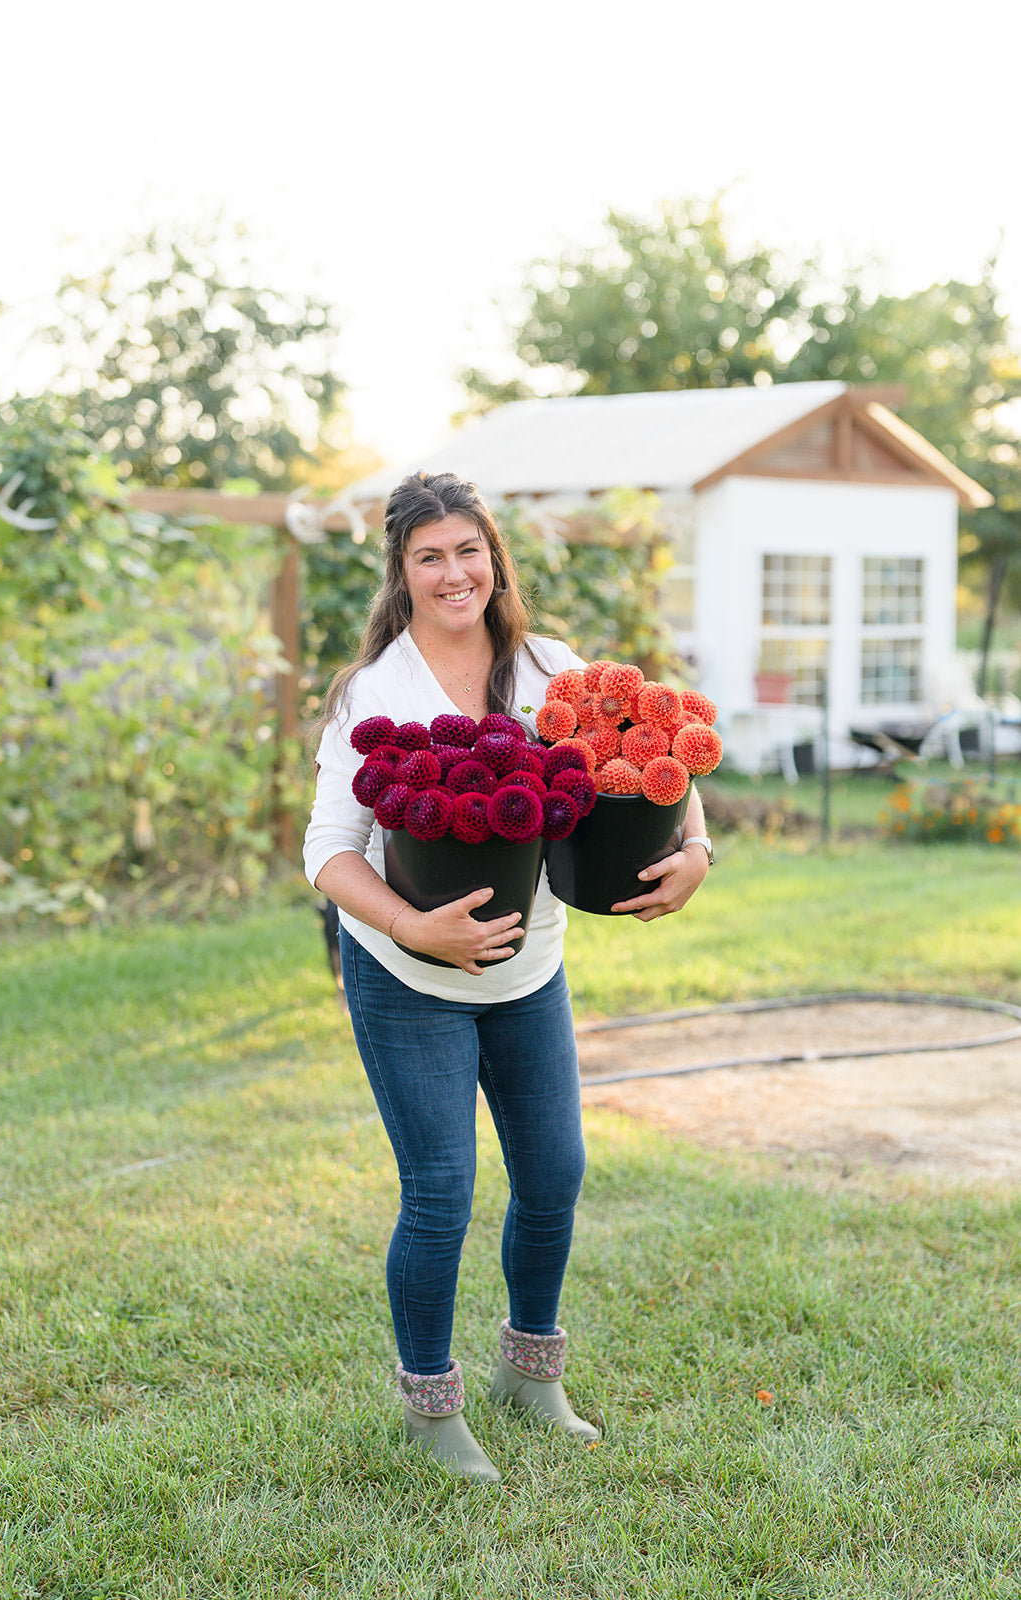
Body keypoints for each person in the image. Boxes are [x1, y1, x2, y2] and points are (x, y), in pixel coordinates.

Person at [303, 470, 710, 1483]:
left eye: (467, 549)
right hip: (406, 976)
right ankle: (429, 1403)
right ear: (400, 574)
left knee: (554, 1171)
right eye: (428, 556)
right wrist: (412, 927)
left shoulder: (549, 668)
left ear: (493, 554)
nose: (453, 573)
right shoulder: (375, 692)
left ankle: (530, 1372)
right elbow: (326, 850)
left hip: (528, 970)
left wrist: (696, 846)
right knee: (439, 1190)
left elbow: (649, 747)